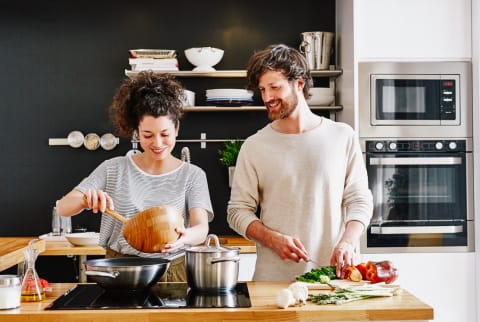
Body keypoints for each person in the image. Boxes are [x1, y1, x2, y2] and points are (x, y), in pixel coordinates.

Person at [227, 44, 373, 281]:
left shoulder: (341, 136)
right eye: (263, 90)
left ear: (299, 84)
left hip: (333, 281)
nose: (267, 98)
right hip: (273, 283)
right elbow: (237, 211)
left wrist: (348, 242)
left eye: (275, 87)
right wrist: (272, 239)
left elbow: (360, 199)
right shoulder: (254, 146)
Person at [56, 71, 214, 282]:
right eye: (148, 135)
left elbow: (201, 228)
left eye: (165, 134)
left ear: (176, 128)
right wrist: (86, 199)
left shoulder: (192, 175)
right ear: (136, 132)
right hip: (119, 269)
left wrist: (187, 237)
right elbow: (63, 207)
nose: (157, 143)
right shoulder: (113, 168)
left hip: (173, 271)